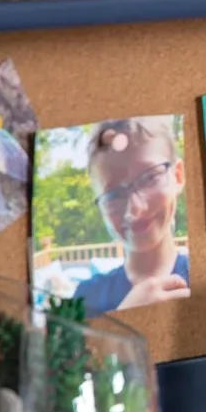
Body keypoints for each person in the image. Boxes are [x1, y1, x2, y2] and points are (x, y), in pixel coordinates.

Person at [74, 117, 190, 315]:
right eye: (113, 195)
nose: (135, 209)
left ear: (178, 176)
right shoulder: (85, 300)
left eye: (150, 177)